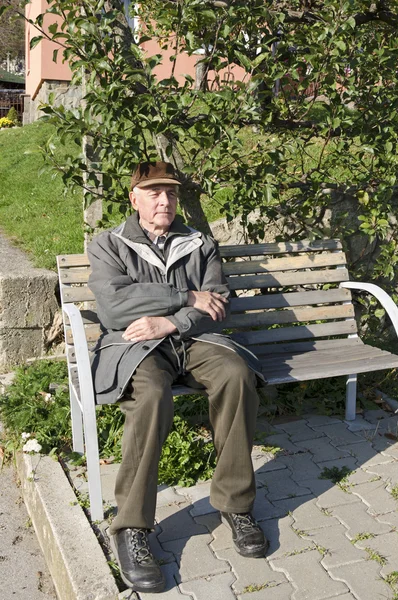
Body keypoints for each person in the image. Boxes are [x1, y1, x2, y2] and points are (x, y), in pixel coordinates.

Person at [87, 161, 268, 594]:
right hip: (135, 346)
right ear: (134, 198)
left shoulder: (198, 242)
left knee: (236, 374)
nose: (164, 201)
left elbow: (219, 301)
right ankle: (131, 527)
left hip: (190, 340)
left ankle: (235, 505)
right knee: (151, 396)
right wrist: (186, 296)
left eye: (170, 193)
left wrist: (172, 321)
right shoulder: (108, 244)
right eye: (153, 193)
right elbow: (114, 308)